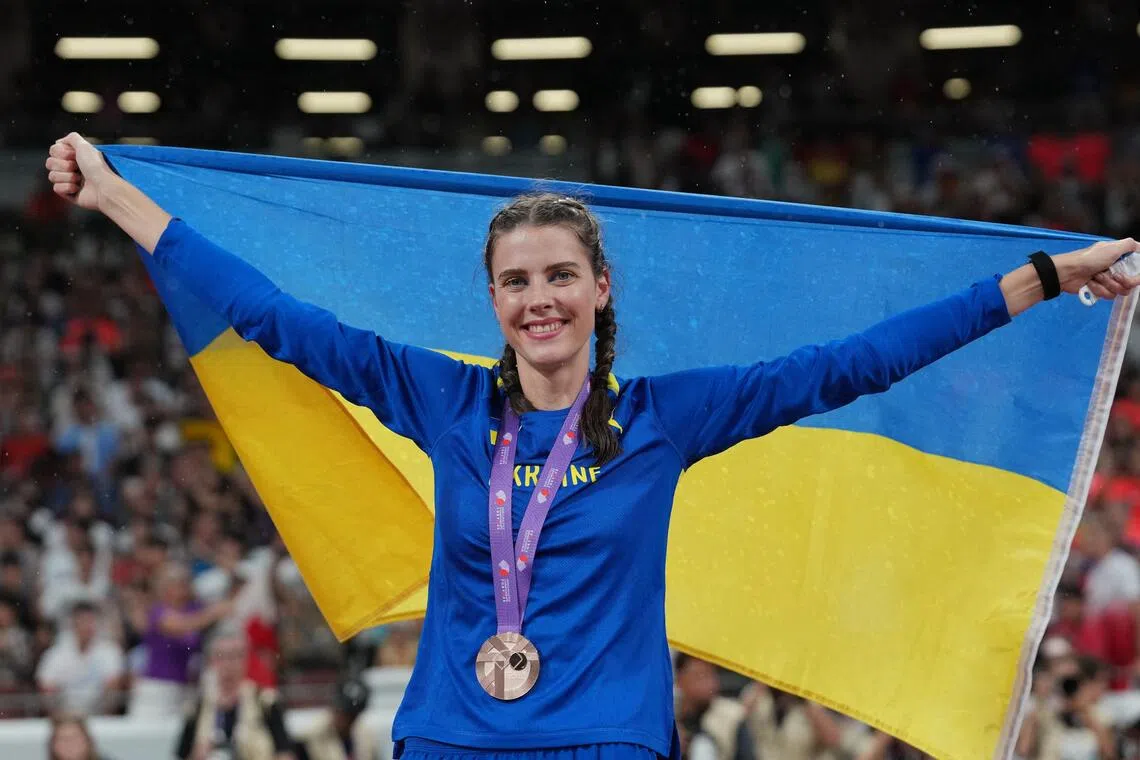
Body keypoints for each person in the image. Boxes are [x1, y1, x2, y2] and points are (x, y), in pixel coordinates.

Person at [44, 132, 1140, 760]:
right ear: (492, 298)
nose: (539, 299)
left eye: (560, 275)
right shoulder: (441, 400)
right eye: (516, 281)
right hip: (450, 741)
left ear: (600, 288)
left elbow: (856, 361)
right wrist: (117, 199)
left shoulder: (668, 417)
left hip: (606, 747)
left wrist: (1040, 278)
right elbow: (280, 319)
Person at [174, 623, 294, 760]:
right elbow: (179, 755)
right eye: (222, 656)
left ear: (246, 659)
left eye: (236, 655)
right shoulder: (198, 706)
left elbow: (286, 753)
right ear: (211, 661)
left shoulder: (265, 700)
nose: (229, 664)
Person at [295, 676, 377, 760]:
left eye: (351, 715)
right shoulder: (314, 733)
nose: (344, 718)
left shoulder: (365, 735)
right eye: (341, 711)